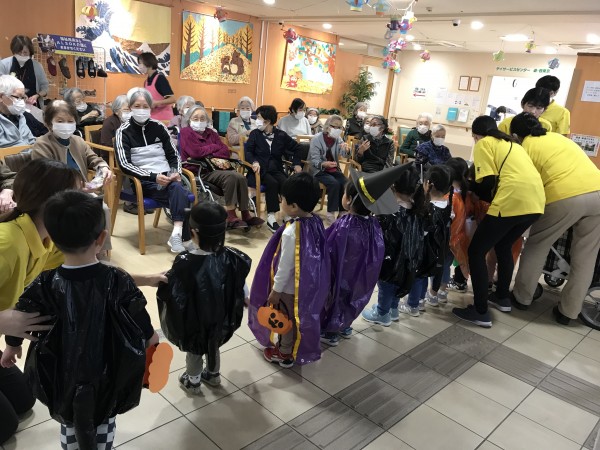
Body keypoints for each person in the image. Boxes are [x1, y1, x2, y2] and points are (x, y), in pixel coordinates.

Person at [1, 190, 159, 450]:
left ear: (52, 239)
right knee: (104, 417)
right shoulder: (117, 279)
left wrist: (12, 345)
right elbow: (139, 316)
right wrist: (152, 340)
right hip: (108, 365)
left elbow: (22, 314)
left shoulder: (45, 283)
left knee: (70, 419)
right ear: (102, 238)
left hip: (60, 368)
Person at [0, 159, 80, 445]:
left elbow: (87, 271)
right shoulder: (7, 244)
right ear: (50, 203)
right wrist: (3, 321)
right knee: (6, 427)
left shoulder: (45, 238)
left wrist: (147, 279)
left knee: (25, 400)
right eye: (76, 197)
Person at [452, 115, 545, 328]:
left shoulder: (484, 143)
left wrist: (467, 186)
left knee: (476, 251)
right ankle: (502, 297)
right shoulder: (513, 144)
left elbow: (487, 183)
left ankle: (480, 311)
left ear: (476, 135)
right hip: (536, 203)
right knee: (503, 245)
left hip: (512, 200)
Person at [510, 113, 600, 324]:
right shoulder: (559, 138)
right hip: (598, 192)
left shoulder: (526, 147)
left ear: (515, 135)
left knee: (537, 245)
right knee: (586, 257)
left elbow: (525, 185)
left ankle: (522, 297)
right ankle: (568, 312)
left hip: (566, 196)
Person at [157, 202, 251, 394]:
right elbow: (239, 282)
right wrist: (246, 297)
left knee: (195, 349)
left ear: (193, 232)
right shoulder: (232, 257)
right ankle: (213, 375)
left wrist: (166, 280)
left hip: (196, 319)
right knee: (213, 343)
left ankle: (193, 381)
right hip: (220, 316)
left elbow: (175, 293)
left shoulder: (185, 262)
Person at [248, 172, 328, 367]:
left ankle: (284, 353)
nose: (280, 201)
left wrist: (276, 290)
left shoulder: (292, 232)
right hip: (307, 285)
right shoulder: (316, 221)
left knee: (284, 319)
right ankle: (293, 347)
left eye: (282, 199)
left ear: (293, 206)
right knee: (297, 317)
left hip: (288, 289)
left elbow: (285, 266)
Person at [321, 168, 396, 345]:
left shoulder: (343, 226)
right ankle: (345, 326)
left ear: (348, 200)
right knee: (352, 297)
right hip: (361, 276)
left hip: (341, 273)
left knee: (336, 296)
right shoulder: (374, 225)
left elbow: (327, 248)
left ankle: (331, 332)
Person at [31, 100, 114, 258]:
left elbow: (93, 158)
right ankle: (79, 253)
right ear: (49, 123)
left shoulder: (78, 141)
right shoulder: (42, 145)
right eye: (60, 121)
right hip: (55, 195)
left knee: (102, 208)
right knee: (92, 210)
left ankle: (100, 252)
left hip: (82, 191)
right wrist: (76, 187)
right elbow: (47, 178)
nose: (66, 125)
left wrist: (103, 167)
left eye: (70, 121)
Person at [115, 87, 191, 253]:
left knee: (177, 188)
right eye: (137, 106)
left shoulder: (159, 127)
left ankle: (177, 234)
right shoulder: (123, 132)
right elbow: (124, 164)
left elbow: (173, 154)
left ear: (150, 107)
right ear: (130, 107)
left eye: (145, 106)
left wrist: (175, 172)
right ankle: (183, 237)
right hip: (143, 181)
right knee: (182, 194)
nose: (141, 110)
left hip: (166, 177)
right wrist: (153, 177)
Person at [179, 105, 263, 229]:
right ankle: (231, 215)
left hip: (217, 168)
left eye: (202, 118)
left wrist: (207, 153)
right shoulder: (186, 132)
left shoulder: (211, 133)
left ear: (207, 120)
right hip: (199, 170)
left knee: (240, 177)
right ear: (189, 119)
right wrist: (214, 148)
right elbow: (195, 152)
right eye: (195, 118)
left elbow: (225, 151)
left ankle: (245, 214)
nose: (199, 121)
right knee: (231, 177)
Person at [362, 163, 426, 325]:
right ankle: (393, 309)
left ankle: (382, 314)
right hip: (409, 259)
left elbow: (379, 237)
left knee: (386, 285)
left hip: (390, 260)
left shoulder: (389, 211)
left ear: (393, 184)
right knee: (397, 283)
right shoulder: (416, 208)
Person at [245, 105, 302, 233]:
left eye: (259, 117)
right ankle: (271, 216)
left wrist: (297, 163)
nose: (256, 120)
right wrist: (254, 162)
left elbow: (297, 148)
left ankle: (287, 213)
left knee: (287, 183)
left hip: (276, 169)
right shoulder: (255, 134)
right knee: (272, 183)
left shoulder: (281, 135)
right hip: (260, 170)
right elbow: (248, 151)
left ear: (267, 121)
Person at [308, 114, 349, 224]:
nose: (336, 129)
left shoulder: (338, 138)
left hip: (332, 169)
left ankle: (342, 211)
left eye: (339, 127)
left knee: (345, 182)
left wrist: (346, 149)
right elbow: (314, 160)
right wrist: (324, 164)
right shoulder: (317, 139)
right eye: (334, 126)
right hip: (318, 170)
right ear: (327, 126)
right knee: (334, 183)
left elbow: (343, 154)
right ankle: (331, 212)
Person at [0, 35, 48, 107]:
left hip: (33, 105)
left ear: (30, 52)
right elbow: (1, 86)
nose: (22, 55)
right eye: (19, 52)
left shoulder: (37, 66)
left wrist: (37, 95)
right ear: (14, 51)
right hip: (9, 106)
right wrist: (19, 95)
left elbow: (45, 87)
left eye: (25, 52)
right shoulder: (4, 64)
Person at [0, 75, 36, 148]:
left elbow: (31, 140)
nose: (21, 101)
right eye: (17, 97)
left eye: (23, 97)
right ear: (1, 97)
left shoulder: (20, 117)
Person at [138, 52, 175, 121]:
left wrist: (156, 103)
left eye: (140, 63)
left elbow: (172, 99)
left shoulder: (160, 79)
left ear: (148, 63)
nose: (139, 66)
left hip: (164, 119)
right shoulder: (146, 82)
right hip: (152, 118)